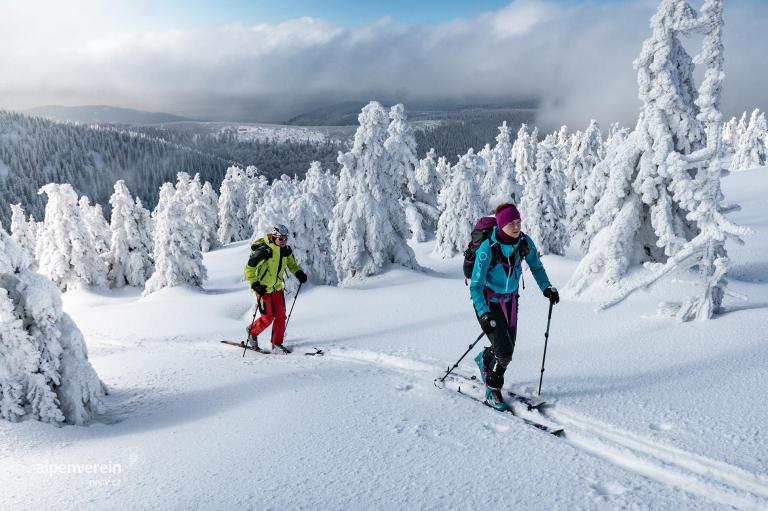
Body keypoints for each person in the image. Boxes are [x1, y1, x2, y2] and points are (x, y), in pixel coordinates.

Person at [469, 204, 559, 410]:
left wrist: (547, 288)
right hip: (488, 303)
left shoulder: (524, 243)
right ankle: (492, 388)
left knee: (507, 345)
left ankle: (485, 358)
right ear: (501, 225)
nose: (517, 226)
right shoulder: (487, 250)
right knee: (505, 352)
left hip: (511, 301)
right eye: (512, 223)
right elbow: (475, 286)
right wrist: (483, 313)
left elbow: (536, 265)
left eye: (518, 222)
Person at [244, 224, 308, 352]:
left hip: (277, 289)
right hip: (263, 290)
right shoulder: (264, 251)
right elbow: (249, 269)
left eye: (286, 239)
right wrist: (256, 285)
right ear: (274, 237)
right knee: (267, 318)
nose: (284, 241)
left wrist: (298, 273)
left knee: (280, 316)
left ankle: (276, 344)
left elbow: (292, 264)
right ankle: (252, 332)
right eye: (281, 239)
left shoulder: (286, 250)